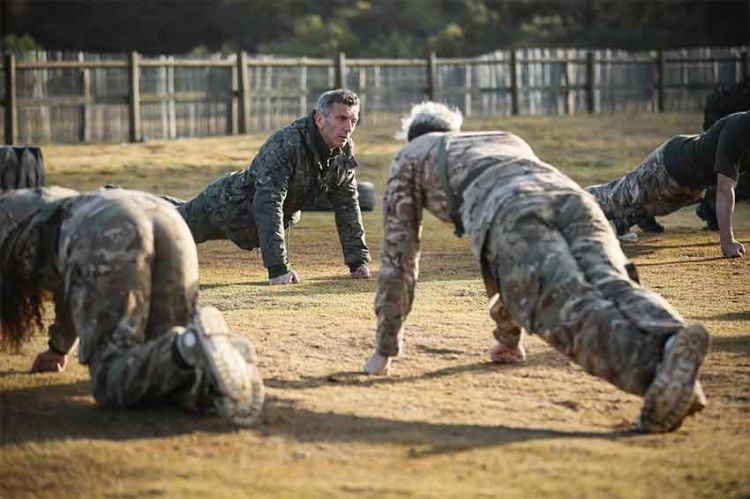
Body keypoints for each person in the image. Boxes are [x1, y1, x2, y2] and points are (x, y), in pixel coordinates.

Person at [362, 102, 709, 433]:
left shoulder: (410, 157)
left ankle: (655, 379)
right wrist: (508, 338)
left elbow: (399, 258)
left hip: (512, 209)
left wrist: (385, 348)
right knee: (610, 281)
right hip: (576, 200)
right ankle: (671, 337)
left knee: (562, 305)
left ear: (413, 138)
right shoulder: (500, 138)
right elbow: (508, 274)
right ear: (455, 131)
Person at [0, 187, 264, 425]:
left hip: (107, 229)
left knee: (110, 377)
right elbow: (68, 284)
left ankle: (189, 346)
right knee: (158, 355)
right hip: (166, 215)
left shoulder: (9, 217)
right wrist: (58, 348)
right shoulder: (41, 199)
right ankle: (211, 374)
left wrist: (58, 346)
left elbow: (65, 285)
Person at [173, 88, 371, 285]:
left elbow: (347, 205)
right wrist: (278, 269)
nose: (348, 128)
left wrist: (358, 262)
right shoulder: (287, 143)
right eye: (342, 119)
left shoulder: (342, 150)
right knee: (171, 226)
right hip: (225, 207)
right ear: (320, 120)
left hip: (257, 224)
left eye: (353, 121)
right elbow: (269, 202)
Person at [586, 112, 749, 257]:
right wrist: (727, 242)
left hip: (694, 185)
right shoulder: (738, 130)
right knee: (617, 196)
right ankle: (569, 199)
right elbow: (725, 189)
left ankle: (617, 225)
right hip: (670, 165)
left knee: (651, 207)